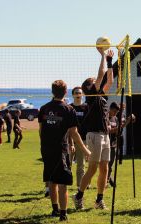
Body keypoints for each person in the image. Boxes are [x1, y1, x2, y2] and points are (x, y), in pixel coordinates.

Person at [39, 80, 91, 221]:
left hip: (46, 149)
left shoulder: (43, 109)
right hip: (61, 150)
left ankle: (55, 209)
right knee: (62, 183)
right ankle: (63, 213)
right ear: (66, 92)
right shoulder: (69, 109)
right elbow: (74, 133)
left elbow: (41, 131)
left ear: (52, 91)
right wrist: (86, 151)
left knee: (52, 180)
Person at [72, 48, 114, 210]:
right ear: (88, 86)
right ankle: (79, 196)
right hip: (94, 134)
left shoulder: (102, 95)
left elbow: (109, 80)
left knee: (105, 168)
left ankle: (99, 200)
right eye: (93, 80)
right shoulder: (90, 93)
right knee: (93, 168)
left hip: (105, 135)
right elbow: (101, 75)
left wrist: (110, 61)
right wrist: (103, 55)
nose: (97, 81)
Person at [107, 102, 135, 187]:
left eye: (117, 112)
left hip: (113, 143)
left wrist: (128, 121)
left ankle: (107, 179)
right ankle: (106, 179)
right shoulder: (106, 117)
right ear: (110, 109)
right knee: (104, 164)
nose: (115, 113)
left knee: (111, 164)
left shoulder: (115, 118)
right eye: (114, 111)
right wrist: (117, 129)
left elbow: (119, 128)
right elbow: (109, 130)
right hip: (106, 143)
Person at [68, 86, 88, 189]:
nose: (78, 94)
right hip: (70, 139)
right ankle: (66, 183)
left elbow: (89, 124)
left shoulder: (86, 107)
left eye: (80, 93)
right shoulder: (69, 107)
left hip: (82, 140)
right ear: (73, 95)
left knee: (81, 164)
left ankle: (80, 185)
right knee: (68, 163)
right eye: (76, 93)